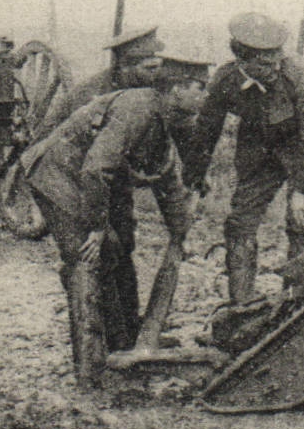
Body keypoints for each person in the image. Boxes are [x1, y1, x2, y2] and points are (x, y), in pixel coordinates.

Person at [21, 72, 202, 385]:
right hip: (58, 175)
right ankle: (90, 366)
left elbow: (168, 177)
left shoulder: (169, 116)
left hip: (84, 179)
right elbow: (95, 169)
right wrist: (96, 226)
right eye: (200, 86)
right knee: (89, 257)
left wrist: (179, 231)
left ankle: (124, 344)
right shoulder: (139, 109)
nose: (205, 93)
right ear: (176, 87)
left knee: (116, 251)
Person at [181, 12, 304, 308]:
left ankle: (298, 303)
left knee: (299, 224)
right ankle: (243, 304)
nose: (275, 66)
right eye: (265, 63)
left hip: (302, 154)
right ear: (243, 60)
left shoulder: (296, 78)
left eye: (278, 58)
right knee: (239, 223)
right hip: (258, 157)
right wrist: (194, 180)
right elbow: (206, 132)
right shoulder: (226, 79)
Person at [32, 27, 166, 142]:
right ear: (125, 66)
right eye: (149, 68)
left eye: (155, 67)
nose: (154, 74)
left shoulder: (142, 86)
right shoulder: (90, 94)